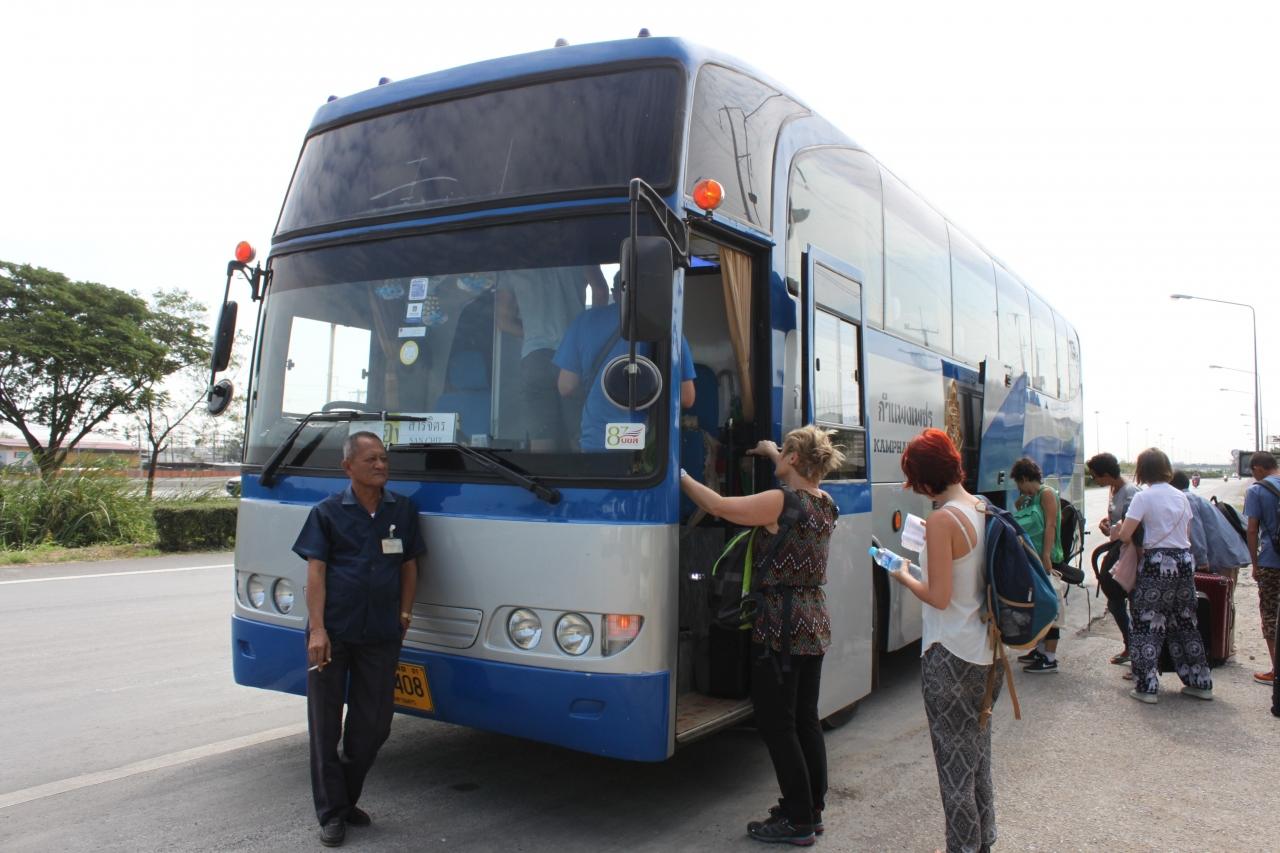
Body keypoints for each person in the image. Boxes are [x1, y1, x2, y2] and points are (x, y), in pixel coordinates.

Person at [679, 426, 843, 846]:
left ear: (794, 459)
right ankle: (811, 810)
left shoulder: (780, 502)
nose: (778, 456)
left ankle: (798, 820)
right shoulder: (825, 502)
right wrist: (774, 452)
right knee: (805, 719)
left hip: (780, 626)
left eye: (784, 451)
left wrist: (677, 473)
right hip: (812, 620)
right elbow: (798, 482)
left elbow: (717, 505)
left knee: (776, 724)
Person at [291, 431, 425, 847]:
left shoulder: (402, 510)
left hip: (381, 633)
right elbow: (315, 572)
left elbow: (409, 565)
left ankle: (343, 798)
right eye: (371, 460)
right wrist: (317, 629)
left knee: (375, 725)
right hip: (332, 633)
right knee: (325, 725)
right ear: (348, 467)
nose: (381, 466)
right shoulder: (327, 512)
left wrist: (405, 614)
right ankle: (332, 814)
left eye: (384, 458)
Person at [889, 428, 1000, 853]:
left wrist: (903, 574)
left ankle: (963, 848)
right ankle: (983, 841)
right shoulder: (981, 507)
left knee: (953, 769)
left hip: (949, 656)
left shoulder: (941, 520)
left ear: (924, 477)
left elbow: (938, 597)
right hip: (986, 651)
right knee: (977, 758)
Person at [554, 274, 695, 451]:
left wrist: (597, 392)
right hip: (650, 448)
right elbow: (686, 397)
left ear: (615, 293)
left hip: (597, 440)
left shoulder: (584, 321)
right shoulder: (667, 326)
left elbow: (566, 386)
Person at [1116, 447, 1213, 704]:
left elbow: (1125, 535)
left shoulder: (1143, 497)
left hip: (1156, 563)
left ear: (1142, 470)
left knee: (1147, 623)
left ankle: (1146, 687)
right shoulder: (1182, 497)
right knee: (1185, 621)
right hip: (1184, 562)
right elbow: (1187, 534)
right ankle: (1200, 682)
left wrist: (1117, 529)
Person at [495, 266, 608, 451]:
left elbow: (503, 321)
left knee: (541, 438)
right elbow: (601, 291)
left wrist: (532, 334)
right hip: (574, 358)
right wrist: (587, 332)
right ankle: (582, 468)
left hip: (535, 358)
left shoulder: (513, 266)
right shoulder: (580, 255)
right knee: (580, 435)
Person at [1086, 452, 1140, 665]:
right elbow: (1116, 522)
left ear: (1106, 474)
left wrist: (1116, 532)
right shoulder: (1113, 490)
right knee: (1115, 603)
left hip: (1130, 555)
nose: (1094, 480)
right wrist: (1106, 525)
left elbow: (1134, 527)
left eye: (1095, 476)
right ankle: (1131, 646)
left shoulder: (1131, 492)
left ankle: (1139, 655)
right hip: (1118, 551)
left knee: (1132, 604)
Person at [1009, 457, 1063, 673]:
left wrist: (1047, 555)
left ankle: (1050, 657)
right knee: (1039, 605)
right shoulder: (1032, 497)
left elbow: (1050, 525)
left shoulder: (1047, 494)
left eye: (1019, 484)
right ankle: (1040, 650)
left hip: (1047, 557)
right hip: (1035, 557)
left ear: (1024, 478)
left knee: (1051, 606)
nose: (1020, 489)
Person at [1171, 468, 1250, 581]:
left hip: (1222, 559)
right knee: (1225, 591)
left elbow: (1196, 533)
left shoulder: (1186, 500)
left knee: (1217, 590)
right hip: (1229, 554)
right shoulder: (1193, 498)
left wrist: (1201, 561)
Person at [1243, 451, 1280, 686]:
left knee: (1270, 614)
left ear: (1258, 468)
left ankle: (1277, 671)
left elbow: (1252, 530)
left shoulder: (1256, 491)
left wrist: (1254, 564)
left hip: (1271, 562)